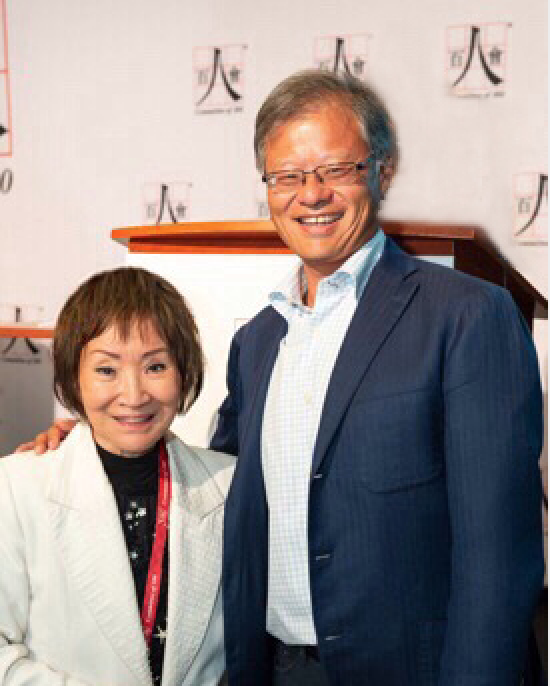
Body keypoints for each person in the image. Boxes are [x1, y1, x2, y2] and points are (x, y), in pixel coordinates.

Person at [21, 69, 544, 686]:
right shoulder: (260, 339)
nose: (311, 195)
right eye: (288, 176)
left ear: (382, 172)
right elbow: (210, 484)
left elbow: (499, 553)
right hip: (272, 668)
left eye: (336, 169)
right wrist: (89, 444)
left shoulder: (466, 315)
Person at [1, 267, 232, 686]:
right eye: (106, 370)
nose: (134, 395)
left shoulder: (229, 485)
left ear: (183, 372)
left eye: (155, 366)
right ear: (74, 377)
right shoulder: (17, 487)